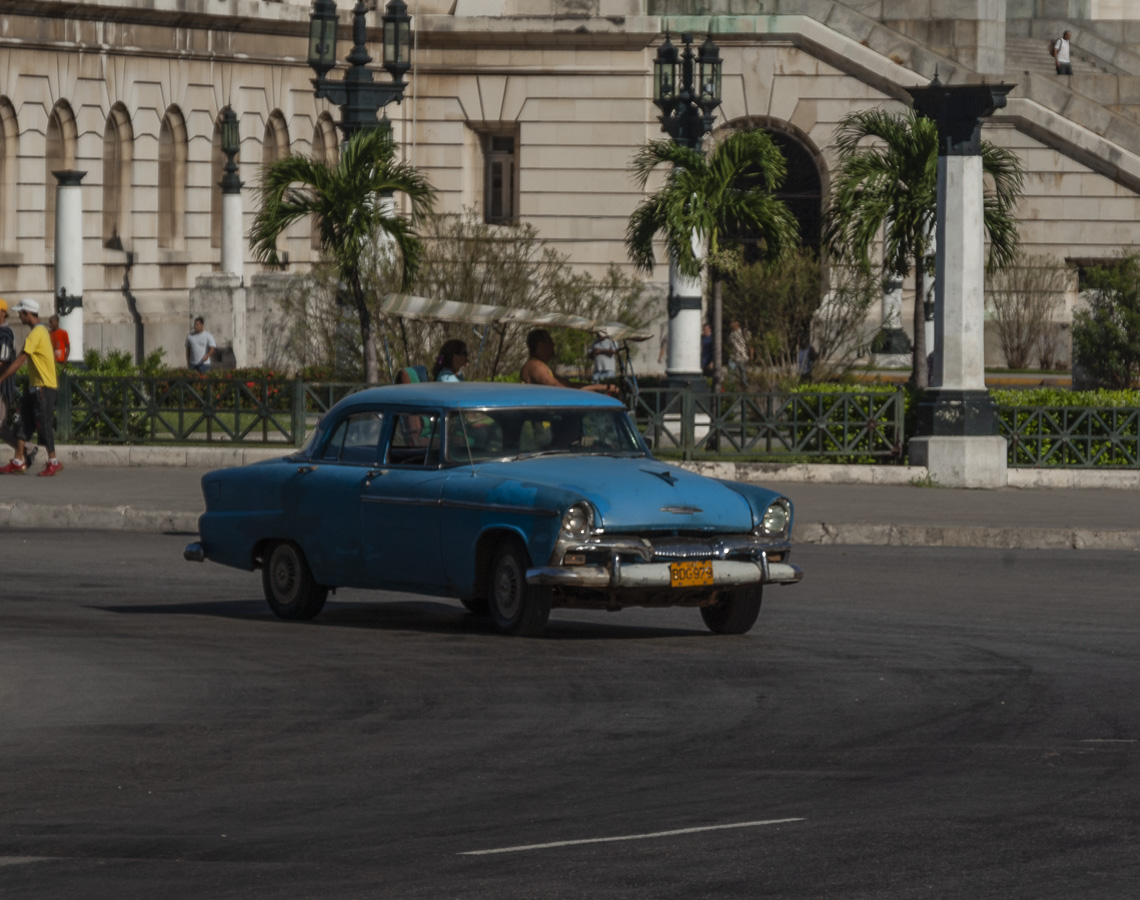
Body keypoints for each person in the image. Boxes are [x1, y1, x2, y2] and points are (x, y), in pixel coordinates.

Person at [0, 298, 60, 475]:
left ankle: (53, 461)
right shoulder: (38, 332)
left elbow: (20, 359)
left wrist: (2, 377)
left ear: (27, 314)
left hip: (44, 387)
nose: (19, 316)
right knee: (21, 420)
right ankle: (19, 461)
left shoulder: (36, 333)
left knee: (44, 424)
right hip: (34, 386)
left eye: (21, 313)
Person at [520, 328, 615, 394]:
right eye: (549, 342)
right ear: (540, 346)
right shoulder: (536, 366)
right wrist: (597, 388)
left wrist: (602, 387)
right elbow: (560, 388)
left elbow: (568, 384)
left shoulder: (541, 365)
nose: (553, 344)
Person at [728, 320, 752, 388]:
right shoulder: (731, 334)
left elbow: (750, 343)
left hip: (742, 356)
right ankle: (731, 386)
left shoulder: (744, 332)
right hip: (734, 356)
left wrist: (750, 354)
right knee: (731, 372)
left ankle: (745, 386)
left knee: (743, 372)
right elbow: (730, 343)